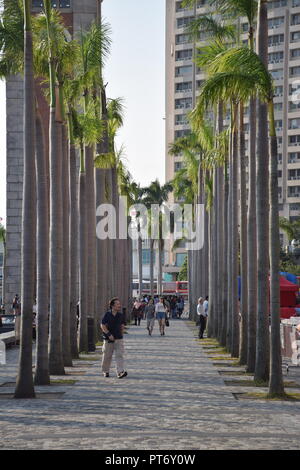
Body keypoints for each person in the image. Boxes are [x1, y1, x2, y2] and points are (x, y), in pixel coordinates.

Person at [100, 297, 127, 379]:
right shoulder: (107, 315)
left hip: (119, 339)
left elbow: (122, 325)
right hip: (108, 339)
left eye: (119, 304)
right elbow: (102, 325)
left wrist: (121, 335)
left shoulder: (121, 315)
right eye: (117, 304)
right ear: (112, 306)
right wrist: (108, 334)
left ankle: (120, 372)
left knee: (119, 355)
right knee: (107, 356)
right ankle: (105, 371)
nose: (119, 305)